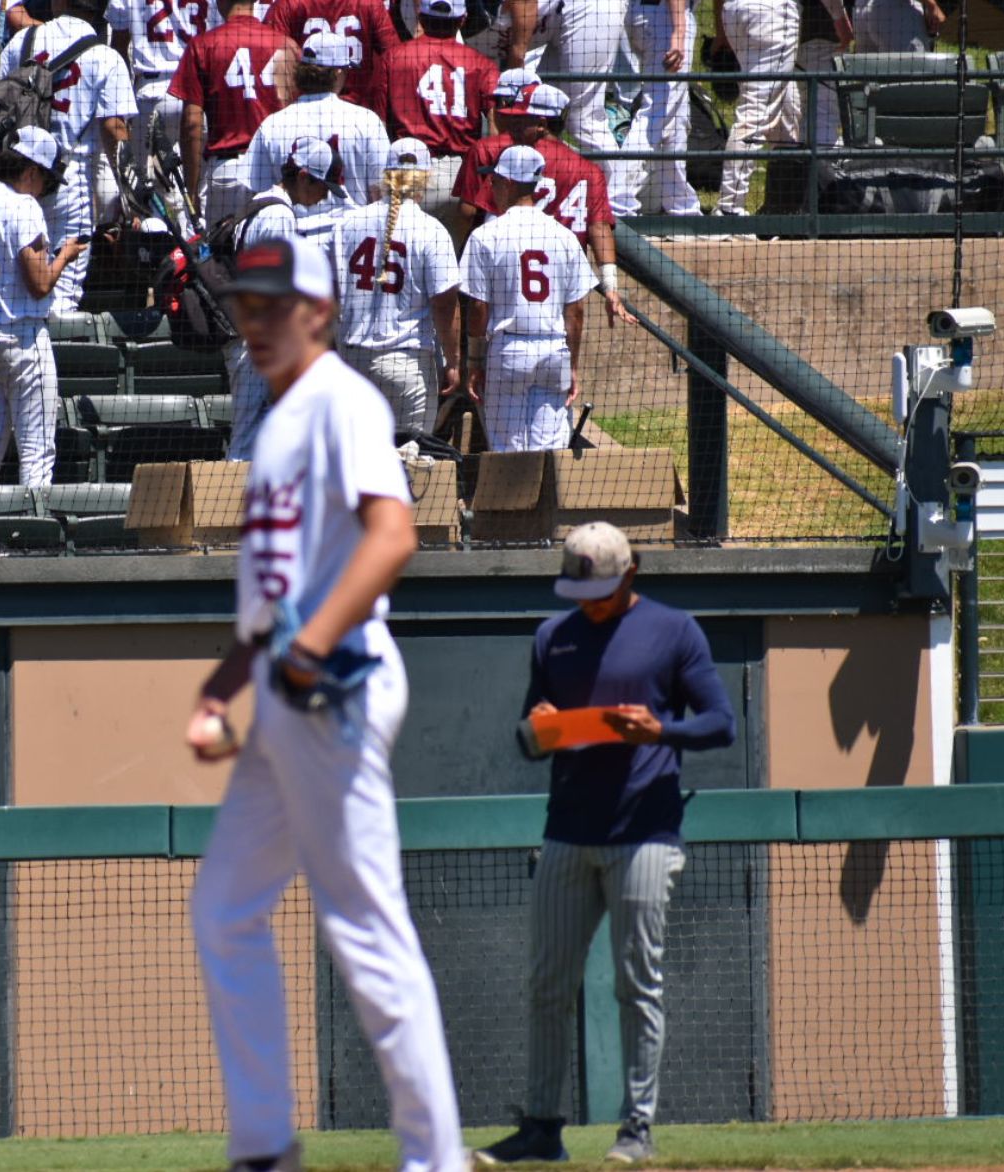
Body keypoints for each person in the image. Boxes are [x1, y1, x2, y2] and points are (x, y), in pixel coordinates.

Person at [184, 233, 467, 1172]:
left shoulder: (341, 399)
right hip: (285, 689)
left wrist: (302, 652)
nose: (254, 320)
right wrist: (224, 686)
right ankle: (265, 1146)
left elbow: (394, 535)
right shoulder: (278, 415)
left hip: (333, 678)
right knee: (226, 908)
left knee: (366, 927)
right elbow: (273, 593)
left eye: (274, 305)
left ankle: (435, 1157)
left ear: (322, 313)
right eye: (246, 305)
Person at [475, 521, 737, 1166]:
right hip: (566, 831)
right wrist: (537, 730)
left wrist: (661, 729)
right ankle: (542, 1130)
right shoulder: (553, 638)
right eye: (579, 590)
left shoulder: (675, 631)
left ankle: (636, 1131)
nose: (587, 603)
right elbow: (528, 739)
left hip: (645, 833)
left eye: (599, 589)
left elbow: (720, 724)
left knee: (636, 983)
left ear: (632, 572)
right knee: (546, 983)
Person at [0, 127, 88, 488]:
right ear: (31, 170)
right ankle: (36, 534)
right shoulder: (24, 205)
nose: (45, 189)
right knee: (36, 452)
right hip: (23, 339)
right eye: (46, 180)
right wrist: (65, 254)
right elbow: (40, 285)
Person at [454, 73, 631, 323]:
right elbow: (599, 229)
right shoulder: (588, 170)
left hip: (507, 278)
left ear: (541, 123)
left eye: (520, 119)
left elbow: (477, 216)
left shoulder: (506, 158)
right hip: (561, 282)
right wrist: (611, 286)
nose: (511, 124)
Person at [0, 0, 136, 312]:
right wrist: (130, 197)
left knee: (15, 285)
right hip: (68, 182)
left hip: (14, 178)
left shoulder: (21, 43)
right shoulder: (106, 56)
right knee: (61, 297)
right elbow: (115, 130)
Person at [459, 143, 593, 452]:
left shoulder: (486, 235)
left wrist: (475, 360)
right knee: (550, 455)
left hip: (509, 351)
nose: (490, 185)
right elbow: (576, 311)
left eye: (493, 180)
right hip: (554, 350)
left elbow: (478, 307)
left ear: (507, 183)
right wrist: (572, 365)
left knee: (509, 456)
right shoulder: (564, 235)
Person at [330, 137, 461, 436]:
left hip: (352, 362)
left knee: (357, 464)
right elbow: (445, 305)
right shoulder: (432, 230)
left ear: (385, 175)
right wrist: (452, 360)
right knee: (408, 468)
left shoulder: (347, 224)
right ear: (425, 179)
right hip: (406, 366)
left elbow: (331, 297)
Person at [225, 136, 336, 461]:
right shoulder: (278, 216)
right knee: (249, 436)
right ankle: (232, 509)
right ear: (303, 177)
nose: (325, 195)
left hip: (250, 335)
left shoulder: (260, 203)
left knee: (256, 431)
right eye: (323, 185)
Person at [365, 0, 498, 236]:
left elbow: (378, 126)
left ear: (421, 16)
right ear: (462, 20)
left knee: (402, 258)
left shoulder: (394, 57)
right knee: (450, 265)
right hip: (458, 178)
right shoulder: (481, 64)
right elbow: (497, 127)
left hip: (407, 171)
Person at [168, 0, 296, 227]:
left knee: (223, 259)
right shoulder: (286, 45)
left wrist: (192, 189)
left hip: (227, 171)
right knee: (273, 257)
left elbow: (191, 123)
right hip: (276, 173)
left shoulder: (204, 45)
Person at [244, 32, 390, 226]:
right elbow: (380, 193)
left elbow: (260, 196)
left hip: (295, 242)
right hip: (352, 241)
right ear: (338, 72)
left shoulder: (272, 124)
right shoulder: (366, 121)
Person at [470, 0, 625, 178]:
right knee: (540, 117)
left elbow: (523, 11)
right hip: (553, 26)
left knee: (583, 120)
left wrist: (514, 85)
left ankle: (619, 201)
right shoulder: (445, 24)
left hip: (589, 11)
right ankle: (551, 188)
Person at [107, 0, 217, 189]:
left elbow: (118, 48)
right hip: (198, 95)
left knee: (151, 189)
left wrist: (126, 102)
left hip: (152, 94)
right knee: (201, 187)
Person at [608, 0, 701, 218]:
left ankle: (682, 207)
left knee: (676, 116)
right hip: (667, 17)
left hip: (647, 14)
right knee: (655, 113)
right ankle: (618, 201)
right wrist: (679, 30)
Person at [711, 0, 798, 222]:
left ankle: (785, 204)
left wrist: (721, 29)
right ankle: (730, 209)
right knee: (755, 112)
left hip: (735, 11)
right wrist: (839, 17)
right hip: (772, 13)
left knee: (787, 105)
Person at [263, 0, 398, 109]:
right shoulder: (369, 3)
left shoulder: (288, 4)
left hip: (306, 108)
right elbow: (395, 58)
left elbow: (271, 56)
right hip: (358, 110)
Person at [790, 0, 852, 151]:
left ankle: (806, 169)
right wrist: (842, 23)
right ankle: (822, 170)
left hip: (802, 39)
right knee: (824, 112)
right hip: (823, 39)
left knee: (809, 111)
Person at [850, 0, 941, 53]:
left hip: (862, 7)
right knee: (912, 74)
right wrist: (931, 4)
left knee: (873, 76)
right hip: (894, 9)